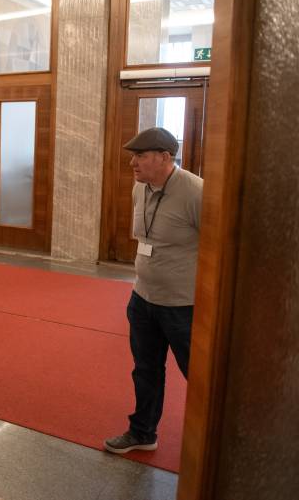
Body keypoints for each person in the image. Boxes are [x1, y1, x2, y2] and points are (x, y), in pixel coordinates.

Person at [104, 127, 203, 454]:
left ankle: (216, 440)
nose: (133, 163)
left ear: (164, 157)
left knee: (200, 376)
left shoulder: (196, 192)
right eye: (133, 156)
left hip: (183, 306)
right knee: (145, 370)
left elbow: (220, 248)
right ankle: (143, 432)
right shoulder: (140, 188)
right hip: (143, 299)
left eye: (140, 156)